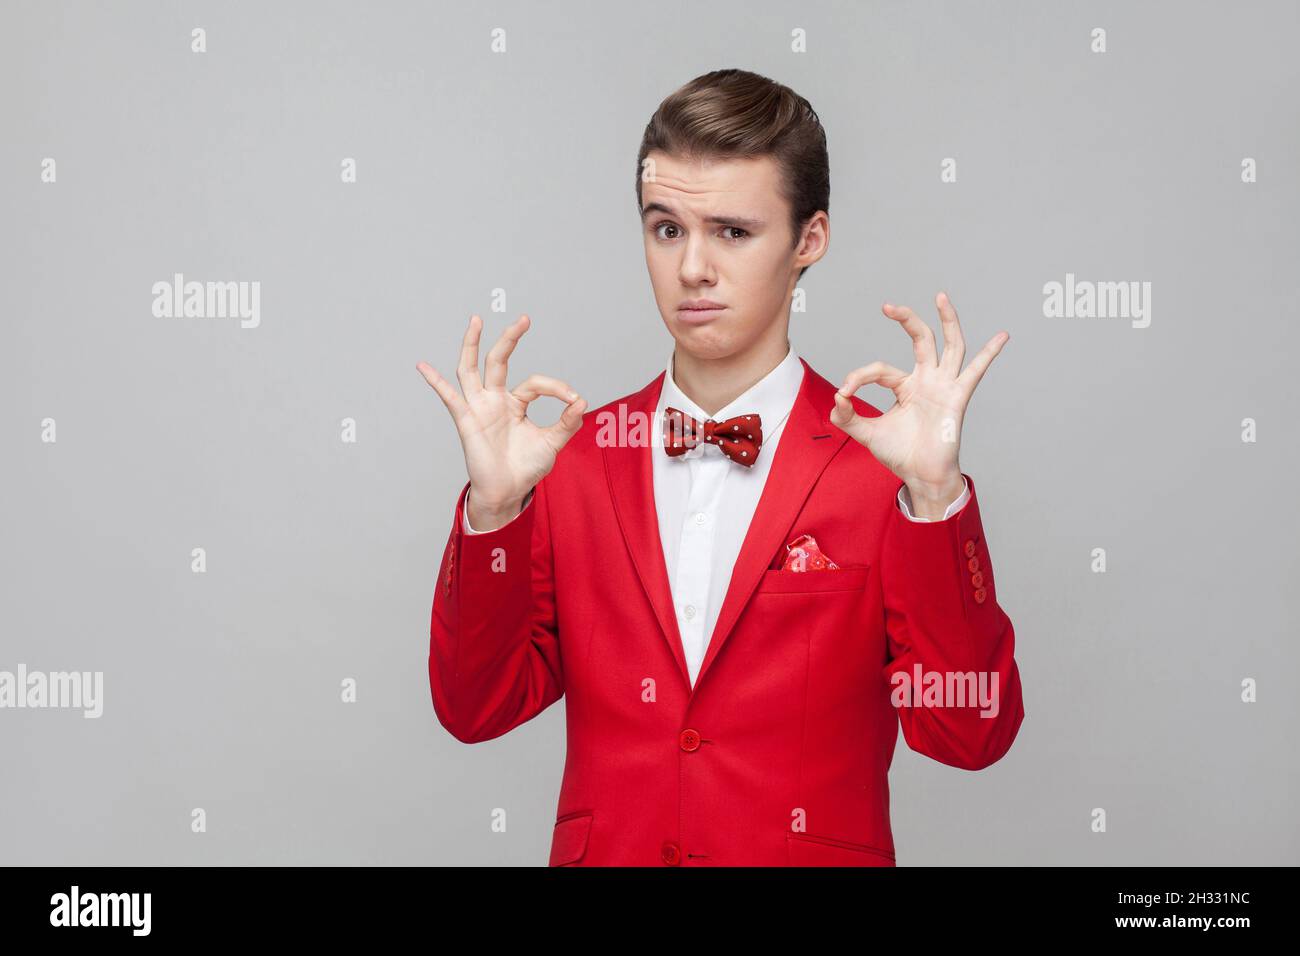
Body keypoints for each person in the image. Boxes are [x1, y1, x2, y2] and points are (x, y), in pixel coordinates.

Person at [417, 68, 1024, 866]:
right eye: (666, 229)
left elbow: (969, 734)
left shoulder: (885, 468)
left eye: (732, 232)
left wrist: (937, 497)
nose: (693, 269)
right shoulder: (572, 459)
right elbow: (475, 708)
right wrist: (494, 512)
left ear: (810, 239)